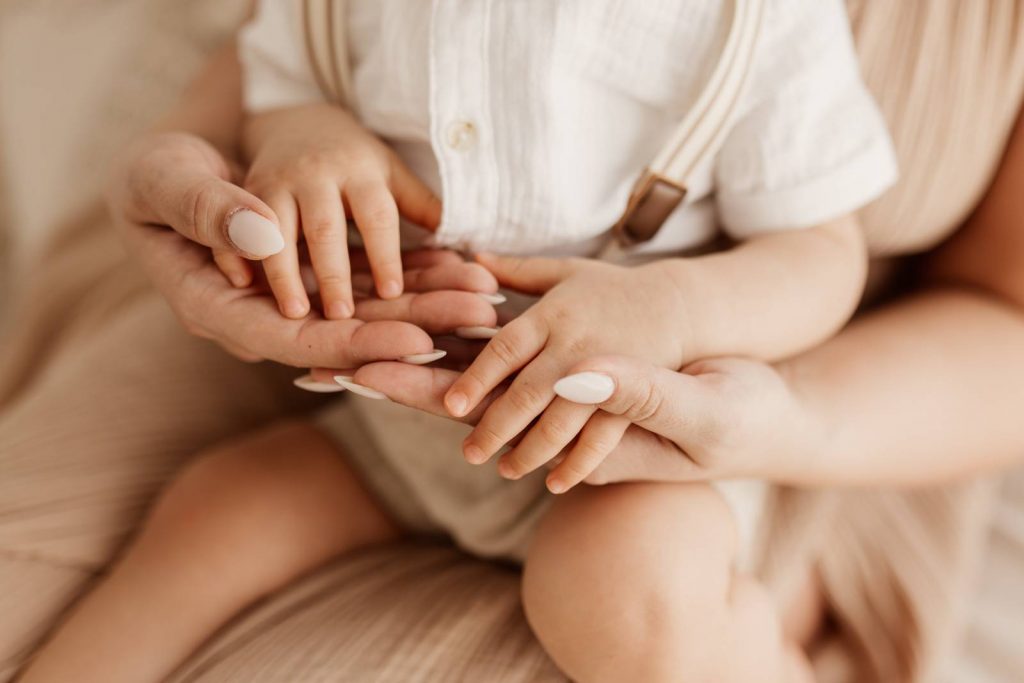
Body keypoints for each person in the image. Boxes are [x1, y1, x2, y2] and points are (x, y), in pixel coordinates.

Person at [5, 2, 1024, 682]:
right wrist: (304, 139)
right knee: (216, 508)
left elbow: (820, 250)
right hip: (401, 420)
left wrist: (669, 309)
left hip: (638, 448)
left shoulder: (756, 24)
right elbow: (285, 73)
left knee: (622, 594)